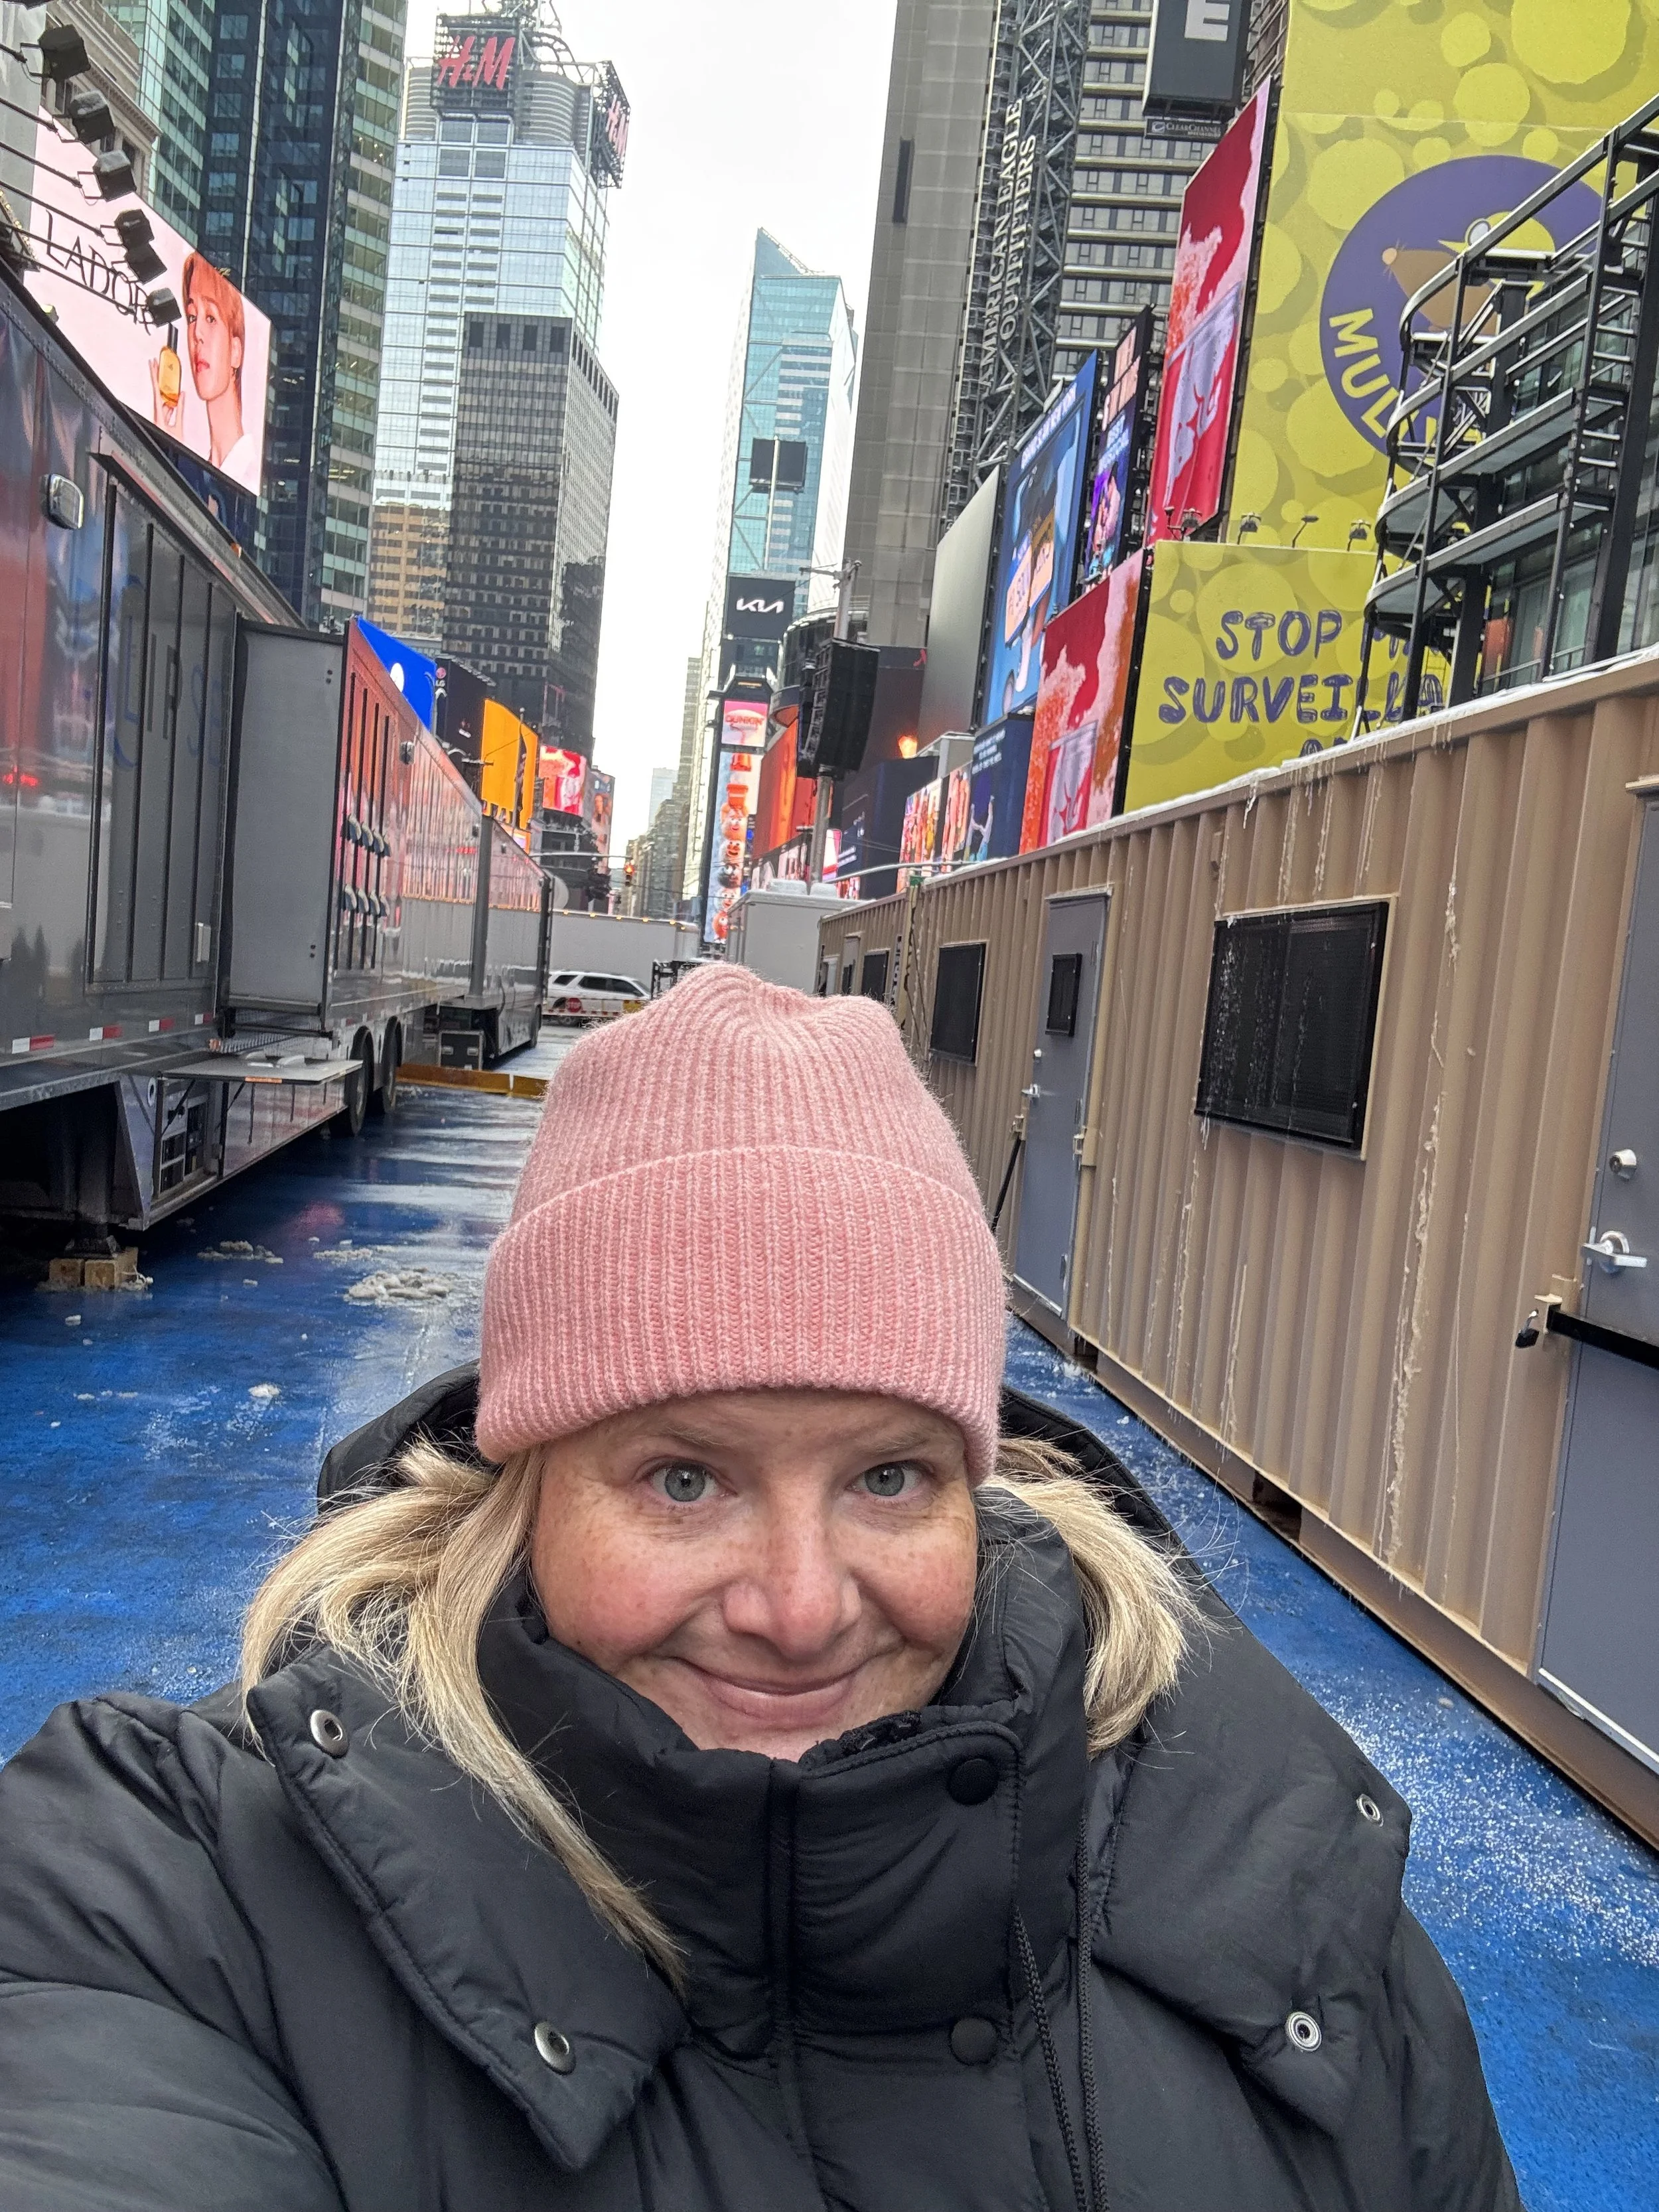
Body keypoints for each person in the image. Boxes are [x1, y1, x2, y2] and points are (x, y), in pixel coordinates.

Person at [0, 966, 1520, 2211]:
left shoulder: (1288, 1898)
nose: (800, 1609)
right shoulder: (182, 1902)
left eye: (887, 1478)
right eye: (683, 1479)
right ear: (525, 1485)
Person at [181, 253, 255, 486]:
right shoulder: (207, 469)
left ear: (236, 351)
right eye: (192, 317)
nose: (197, 334)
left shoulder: (249, 472)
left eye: (211, 318)